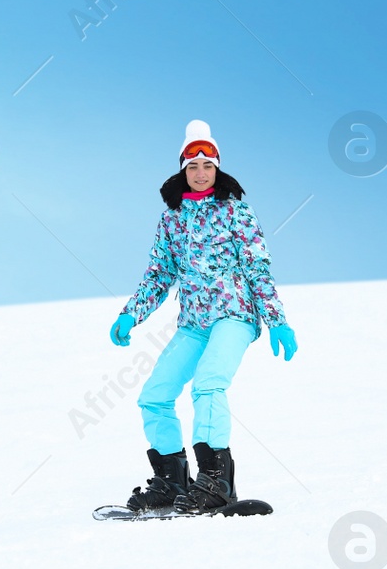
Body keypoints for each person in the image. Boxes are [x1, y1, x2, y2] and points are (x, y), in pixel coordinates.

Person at [109, 120, 297, 514]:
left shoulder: (236, 212)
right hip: (194, 323)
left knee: (209, 385)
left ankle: (216, 482)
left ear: (217, 168)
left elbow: (257, 269)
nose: (199, 172)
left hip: (234, 315)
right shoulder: (172, 219)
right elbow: (160, 274)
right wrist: (131, 315)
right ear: (183, 169)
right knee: (154, 396)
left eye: (207, 165)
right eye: (192, 165)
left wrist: (276, 319)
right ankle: (170, 482)